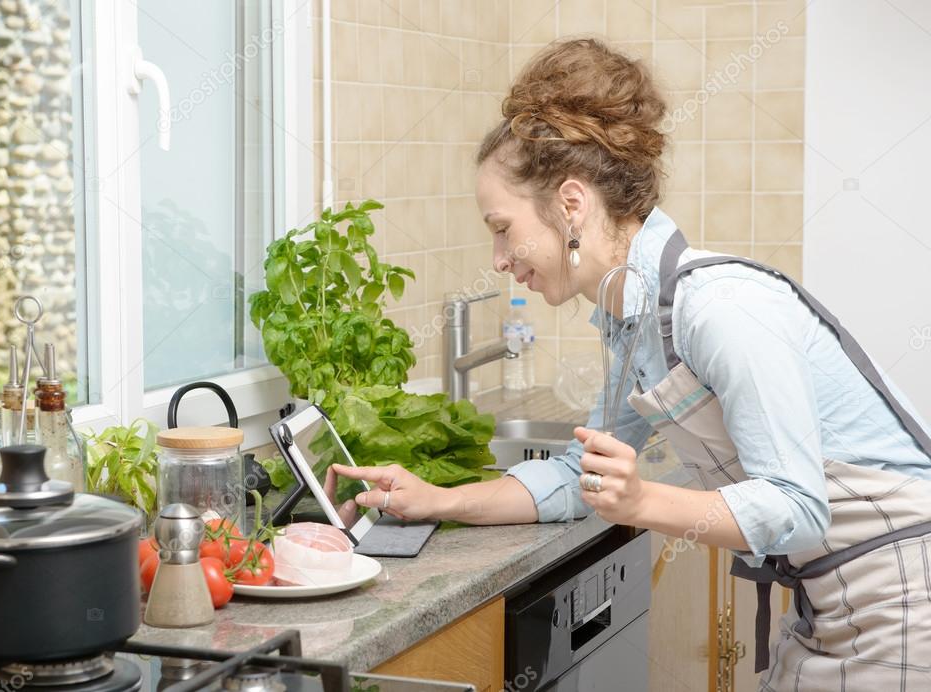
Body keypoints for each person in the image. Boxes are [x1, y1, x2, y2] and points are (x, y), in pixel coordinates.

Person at [330, 38, 931, 690]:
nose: (500, 258)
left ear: (571, 204)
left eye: (502, 227)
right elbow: (575, 477)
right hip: (831, 598)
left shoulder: (718, 309)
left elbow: (798, 509)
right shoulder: (633, 320)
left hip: (901, 594)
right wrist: (437, 500)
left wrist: (642, 499)